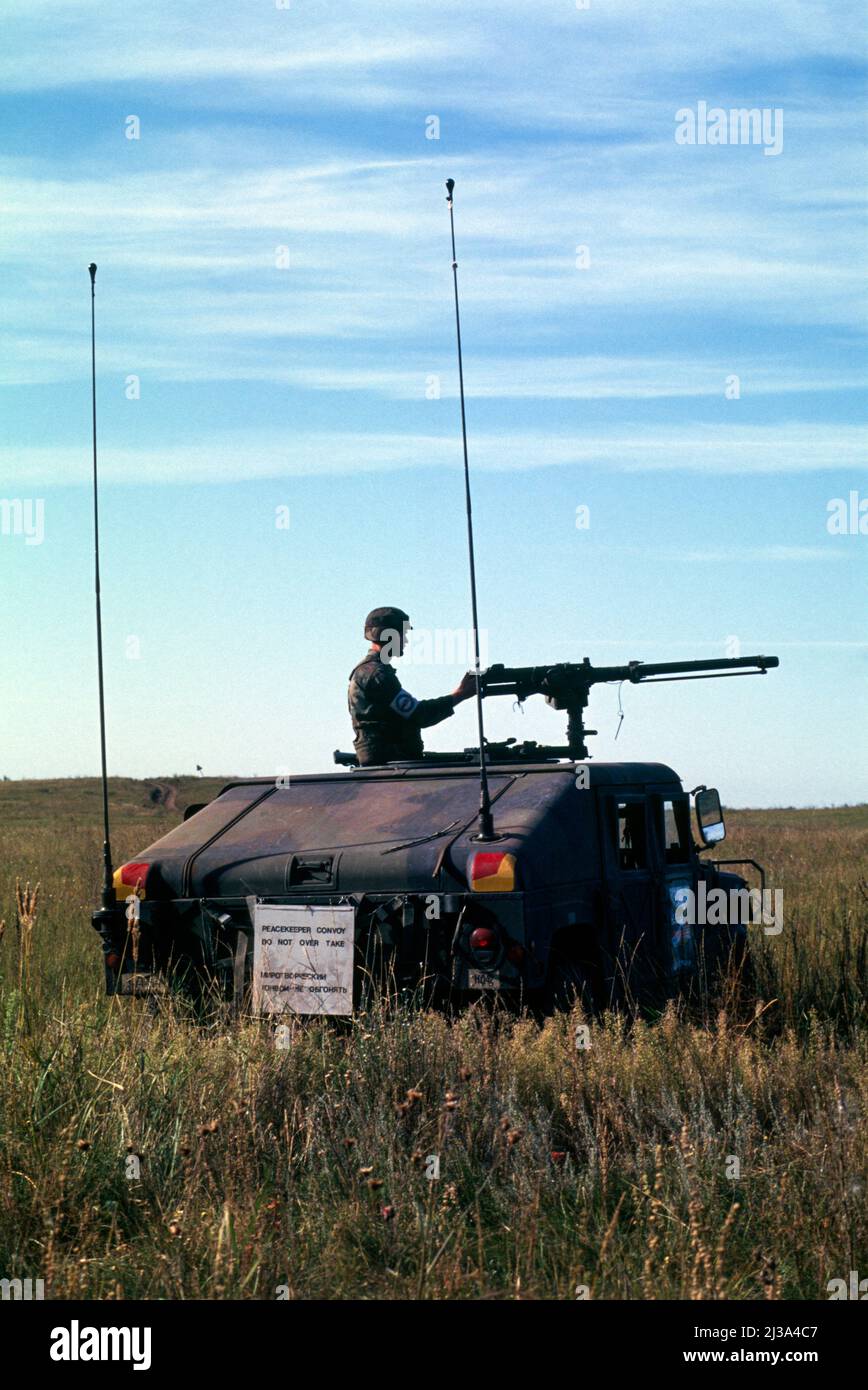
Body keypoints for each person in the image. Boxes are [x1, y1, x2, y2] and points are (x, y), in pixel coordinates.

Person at [348, 607, 476, 765]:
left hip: (389, 761)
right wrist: (460, 694)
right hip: (390, 764)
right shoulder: (377, 675)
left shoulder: (370, 671)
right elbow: (418, 715)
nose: (405, 641)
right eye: (403, 635)